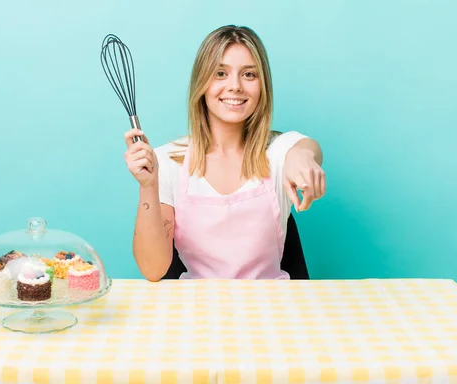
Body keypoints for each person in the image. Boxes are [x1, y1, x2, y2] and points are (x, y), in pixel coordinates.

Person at [123, 25, 326, 282]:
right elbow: (153, 269)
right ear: (202, 83)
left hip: (272, 311)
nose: (235, 86)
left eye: (249, 75)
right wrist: (148, 185)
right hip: (196, 311)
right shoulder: (167, 161)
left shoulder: (275, 152)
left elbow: (303, 148)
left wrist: (304, 161)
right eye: (221, 73)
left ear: (263, 86)